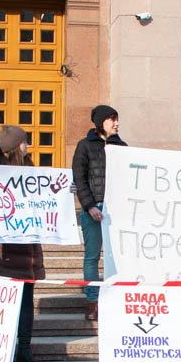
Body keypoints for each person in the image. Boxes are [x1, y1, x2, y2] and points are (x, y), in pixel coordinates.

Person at [0, 125, 45, 362]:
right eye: (24, 142)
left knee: (26, 304)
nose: (28, 146)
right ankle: (0, 352)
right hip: (4, 252)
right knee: (4, 305)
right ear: (14, 148)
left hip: (27, 248)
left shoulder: (29, 168)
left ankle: (24, 349)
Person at [72, 105, 126, 321]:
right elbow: (80, 178)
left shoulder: (122, 147)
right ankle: (93, 302)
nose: (116, 123)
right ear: (101, 122)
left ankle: (114, 299)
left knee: (118, 258)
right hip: (94, 209)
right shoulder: (85, 146)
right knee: (92, 257)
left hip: (117, 211)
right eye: (112, 119)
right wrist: (90, 206)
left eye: (117, 119)